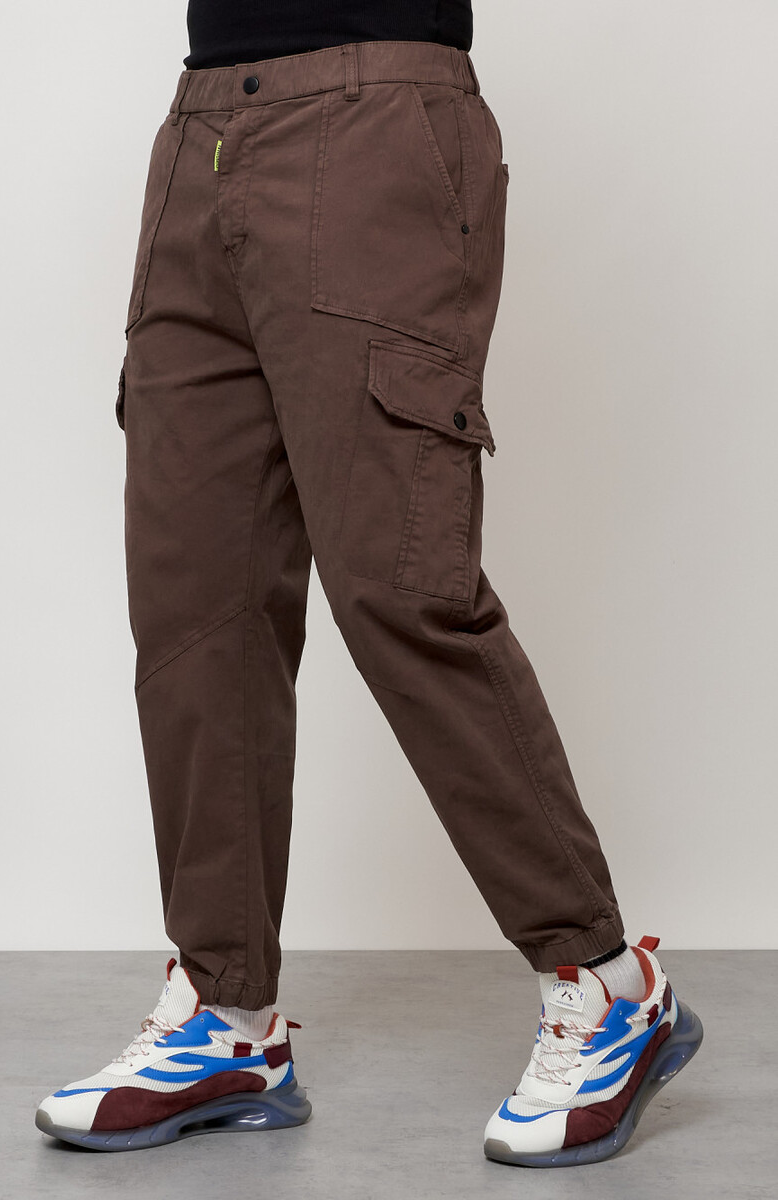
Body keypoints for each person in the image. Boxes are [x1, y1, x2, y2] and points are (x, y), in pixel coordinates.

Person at [35, 1, 703, 1165]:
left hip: (376, 118)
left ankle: (606, 985)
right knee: (196, 607)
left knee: (402, 586)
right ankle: (228, 1018)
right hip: (201, 131)